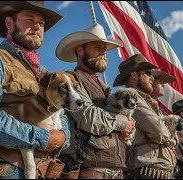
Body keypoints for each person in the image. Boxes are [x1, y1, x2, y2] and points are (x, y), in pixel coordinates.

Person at [0, 1, 70, 179]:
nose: (37, 27)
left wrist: (63, 136)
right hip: (7, 170)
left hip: (46, 171)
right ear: (9, 23)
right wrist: (42, 138)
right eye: (29, 20)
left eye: (41, 23)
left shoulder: (45, 72)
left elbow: (62, 112)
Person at [55, 23, 134, 179]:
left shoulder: (105, 88)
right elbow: (89, 117)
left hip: (116, 170)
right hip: (90, 169)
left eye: (104, 50)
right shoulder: (71, 81)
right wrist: (122, 123)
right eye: (98, 48)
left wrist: (128, 130)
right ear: (80, 50)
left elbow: (126, 121)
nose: (103, 54)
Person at [113, 54, 178, 179]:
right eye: (148, 73)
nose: (152, 78)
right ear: (133, 74)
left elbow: (161, 130)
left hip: (156, 173)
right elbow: (159, 130)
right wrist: (172, 140)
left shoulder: (146, 102)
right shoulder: (131, 99)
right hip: (144, 173)